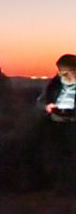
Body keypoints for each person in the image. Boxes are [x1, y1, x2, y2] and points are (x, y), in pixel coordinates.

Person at [36, 54, 76, 192]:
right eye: (59, 72)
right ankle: (57, 184)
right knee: (56, 154)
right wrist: (47, 107)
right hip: (56, 123)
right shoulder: (54, 84)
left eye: (65, 72)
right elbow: (41, 101)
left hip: (72, 125)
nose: (62, 75)